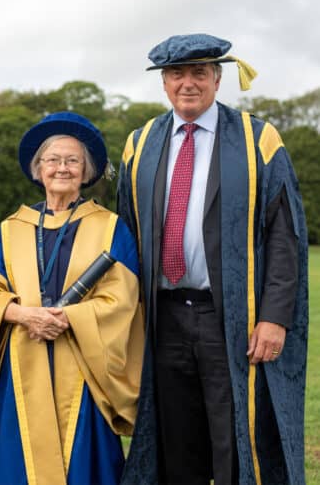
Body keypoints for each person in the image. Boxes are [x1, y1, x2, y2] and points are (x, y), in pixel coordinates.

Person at [117, 34, 308, 485]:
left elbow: (285, 234)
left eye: (199, 73)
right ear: (164, 82)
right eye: (177, 74)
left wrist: (275, 317)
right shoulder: (139, 143)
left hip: (232, 318)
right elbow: (125, 233)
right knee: (175, 441)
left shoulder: (257, 139)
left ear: (217, 79)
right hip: (163, 318)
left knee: (235, 437)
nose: (188, 83)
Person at [0, 111, 144, 485]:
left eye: (72, 160)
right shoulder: (12, 228)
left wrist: (68, 319)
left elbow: (123, 299)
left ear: (87, 170)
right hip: (23, 360)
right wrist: (22, 315)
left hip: (83, 364)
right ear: (38, 169)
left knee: (84, 462)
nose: (62, 168)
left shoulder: (110, 227)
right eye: (53, 160)